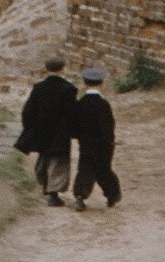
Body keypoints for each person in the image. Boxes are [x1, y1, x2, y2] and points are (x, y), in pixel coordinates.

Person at [17, 57, 79, 207]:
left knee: (44, 158)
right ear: (63, 69)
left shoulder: (38, 87)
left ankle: (44, 186)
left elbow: (28, 111)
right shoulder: (68, 89)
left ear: (46, 69)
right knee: (58, 162)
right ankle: (53, 194)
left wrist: (29, 128)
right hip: (60, 132)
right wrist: (74, 131)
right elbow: (72, 113)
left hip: (42, 130)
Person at [72, 67, 121, 211]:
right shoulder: (103, 104)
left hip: (86, 143)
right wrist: (110, 140)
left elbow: (75, 124)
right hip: (102, 144)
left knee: (85, 168)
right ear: (101, 83)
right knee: (104, 169)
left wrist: (80, 137)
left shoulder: (81, 103)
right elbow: (108, 126)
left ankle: (80, 196)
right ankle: (112, 195)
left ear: (85, 83)